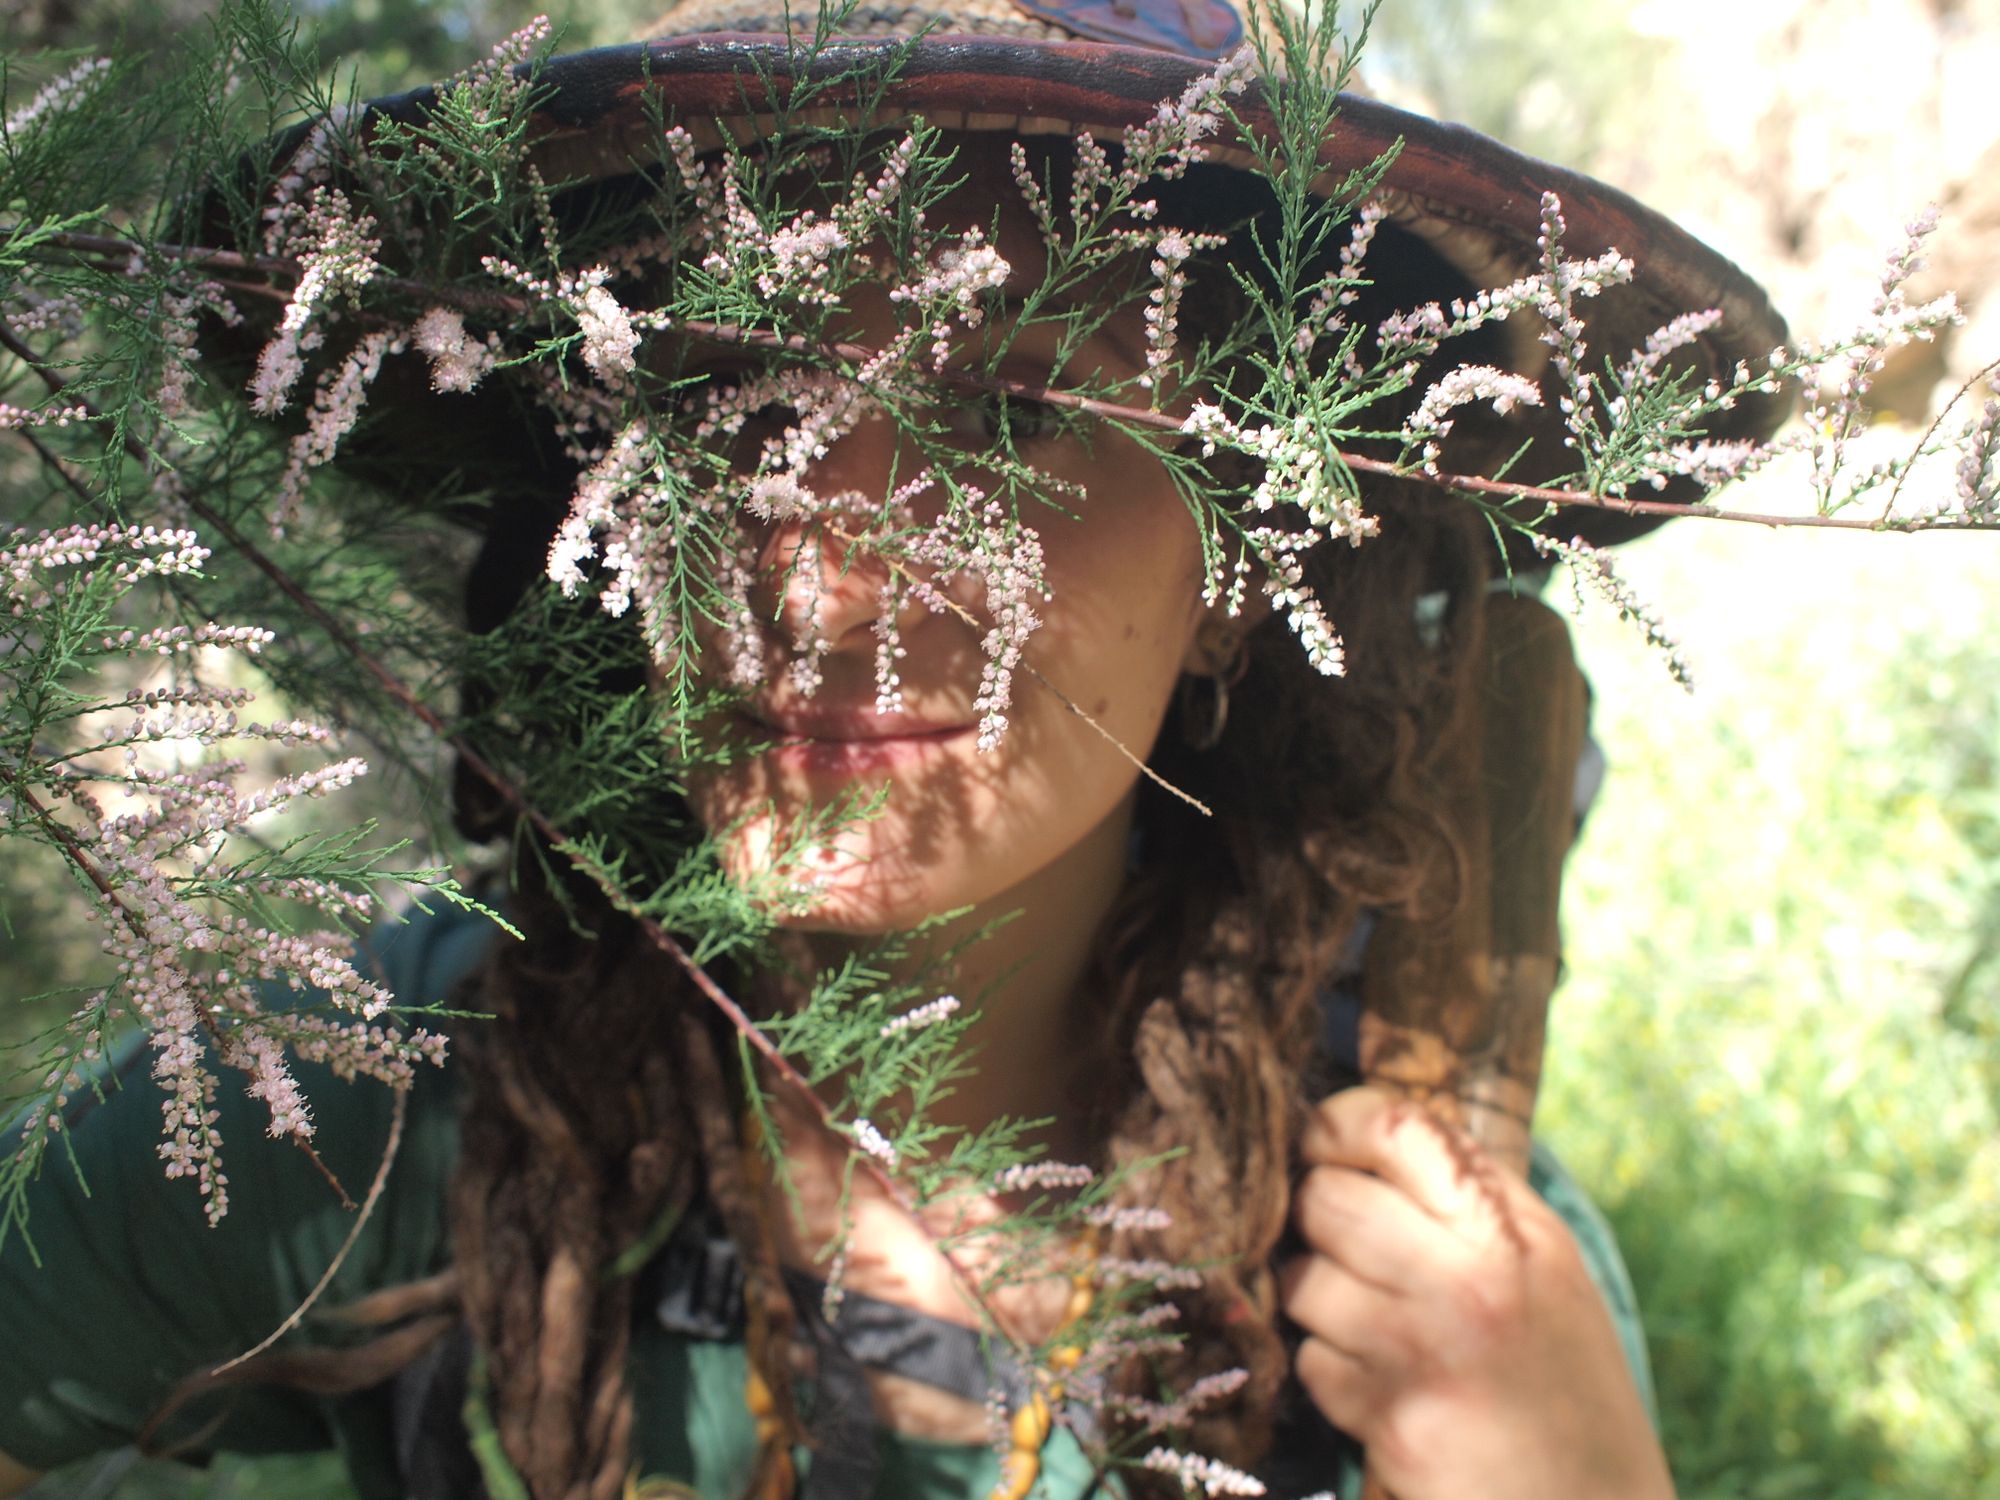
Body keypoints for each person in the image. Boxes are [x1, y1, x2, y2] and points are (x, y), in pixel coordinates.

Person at [0, 2, 1789, 1498]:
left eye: (1019, 414)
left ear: (1243, 559)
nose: (828, 579)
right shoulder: (358, 1112)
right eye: (727, 397)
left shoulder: (1445, 1293)